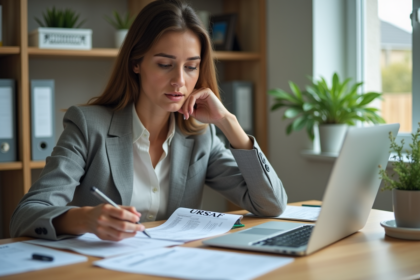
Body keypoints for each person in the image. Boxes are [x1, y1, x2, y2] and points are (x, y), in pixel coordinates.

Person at [10, 0, 287, 241]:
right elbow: (26, 214)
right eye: (165, 64)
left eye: (191, 67)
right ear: (136, 63)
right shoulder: (87, 125)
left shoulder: (201, 137)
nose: (179, 80)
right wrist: (86, 219)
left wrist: (228, 122)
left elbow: (271, 204)